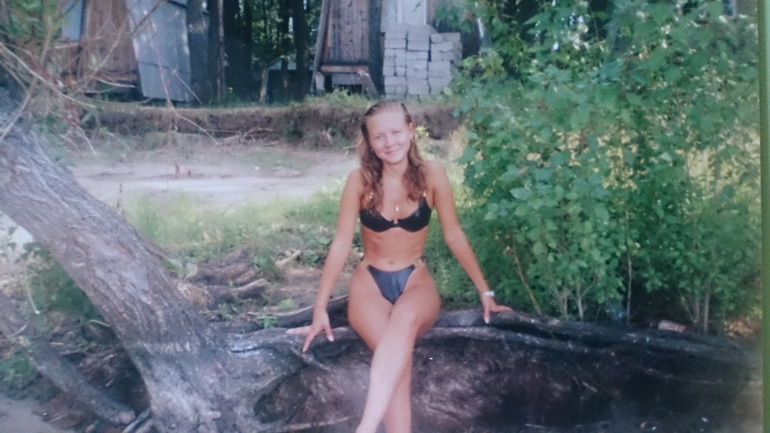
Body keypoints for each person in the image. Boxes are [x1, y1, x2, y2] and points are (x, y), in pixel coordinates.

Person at [287, 100, 511, 433]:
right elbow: (341, 244)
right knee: (398, 367)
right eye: (379, 136)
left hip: (414, 279)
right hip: (369, 282)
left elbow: (454, 234)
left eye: (395, 132)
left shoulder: (432, 175)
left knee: (404, 320)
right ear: (369, 141)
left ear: (410, 130)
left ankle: (365, 428)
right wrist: (320, 309)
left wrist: (485, 292)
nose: (389, 142)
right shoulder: (359, 181)